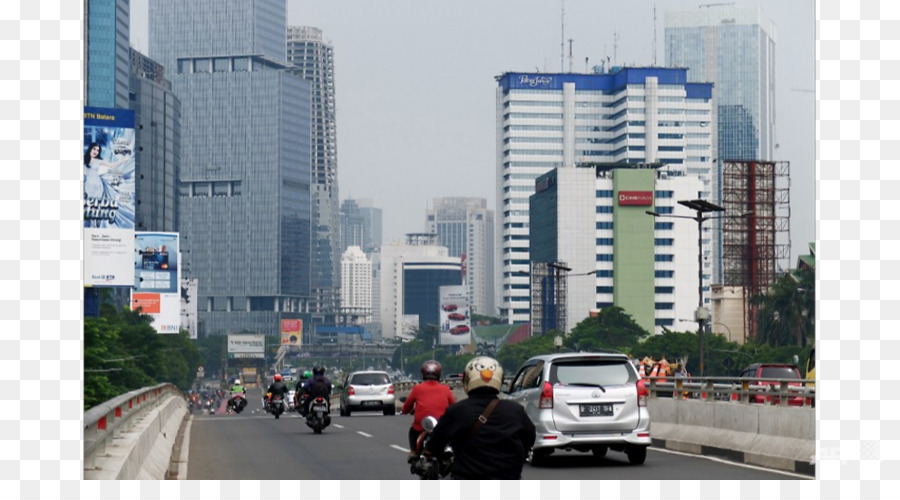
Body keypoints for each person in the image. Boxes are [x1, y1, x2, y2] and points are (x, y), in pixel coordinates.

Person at [425, 356, 536, 480]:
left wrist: (432, 453)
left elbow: (437, 441)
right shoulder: (515, 410)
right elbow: (530, 437)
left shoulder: (456, 411)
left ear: (467, 380)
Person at [401, 360, 456, 461]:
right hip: (441, 424)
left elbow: (406, 407)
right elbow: (454, 406)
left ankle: (413, 451)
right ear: (439, 374)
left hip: (422, 425)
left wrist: (405, 411)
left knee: (412, 431)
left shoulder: (417, 388)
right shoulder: (445, 389)